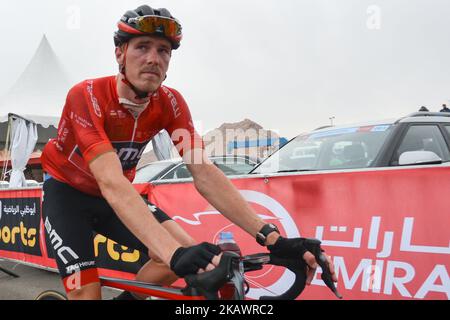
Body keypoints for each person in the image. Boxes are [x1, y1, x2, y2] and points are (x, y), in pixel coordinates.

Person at [41, 4, 336, 300]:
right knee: (86, 292)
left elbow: (204, 172)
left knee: (180, 263)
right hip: (68, 196)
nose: (153, 59)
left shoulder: (171, 104)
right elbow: (111, 181)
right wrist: (174, 253)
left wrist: (273, 239)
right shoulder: (87, 95)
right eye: (142, 47)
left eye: (163, 51)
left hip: (114, 199)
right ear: (120, 53)